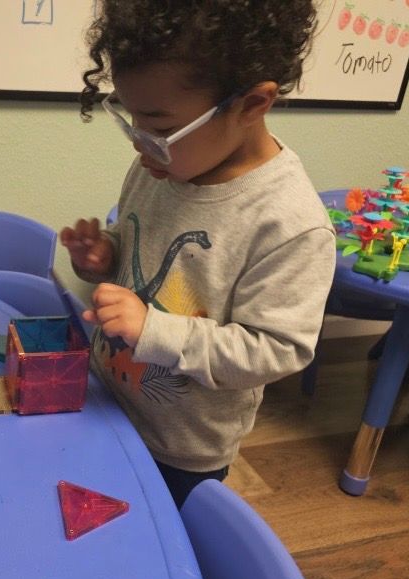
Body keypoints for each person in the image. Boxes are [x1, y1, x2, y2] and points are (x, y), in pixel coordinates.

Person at [61, 0, 336, 508]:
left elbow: (277, 349)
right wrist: (103, 256)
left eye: (162, 131)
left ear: (252, 105)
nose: (142, 148)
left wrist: (153, 330)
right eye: (133, 125)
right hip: (109, 401)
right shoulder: (156, 170)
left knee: (162, 558)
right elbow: (138, 249)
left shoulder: (289, 224)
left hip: (180, 449)